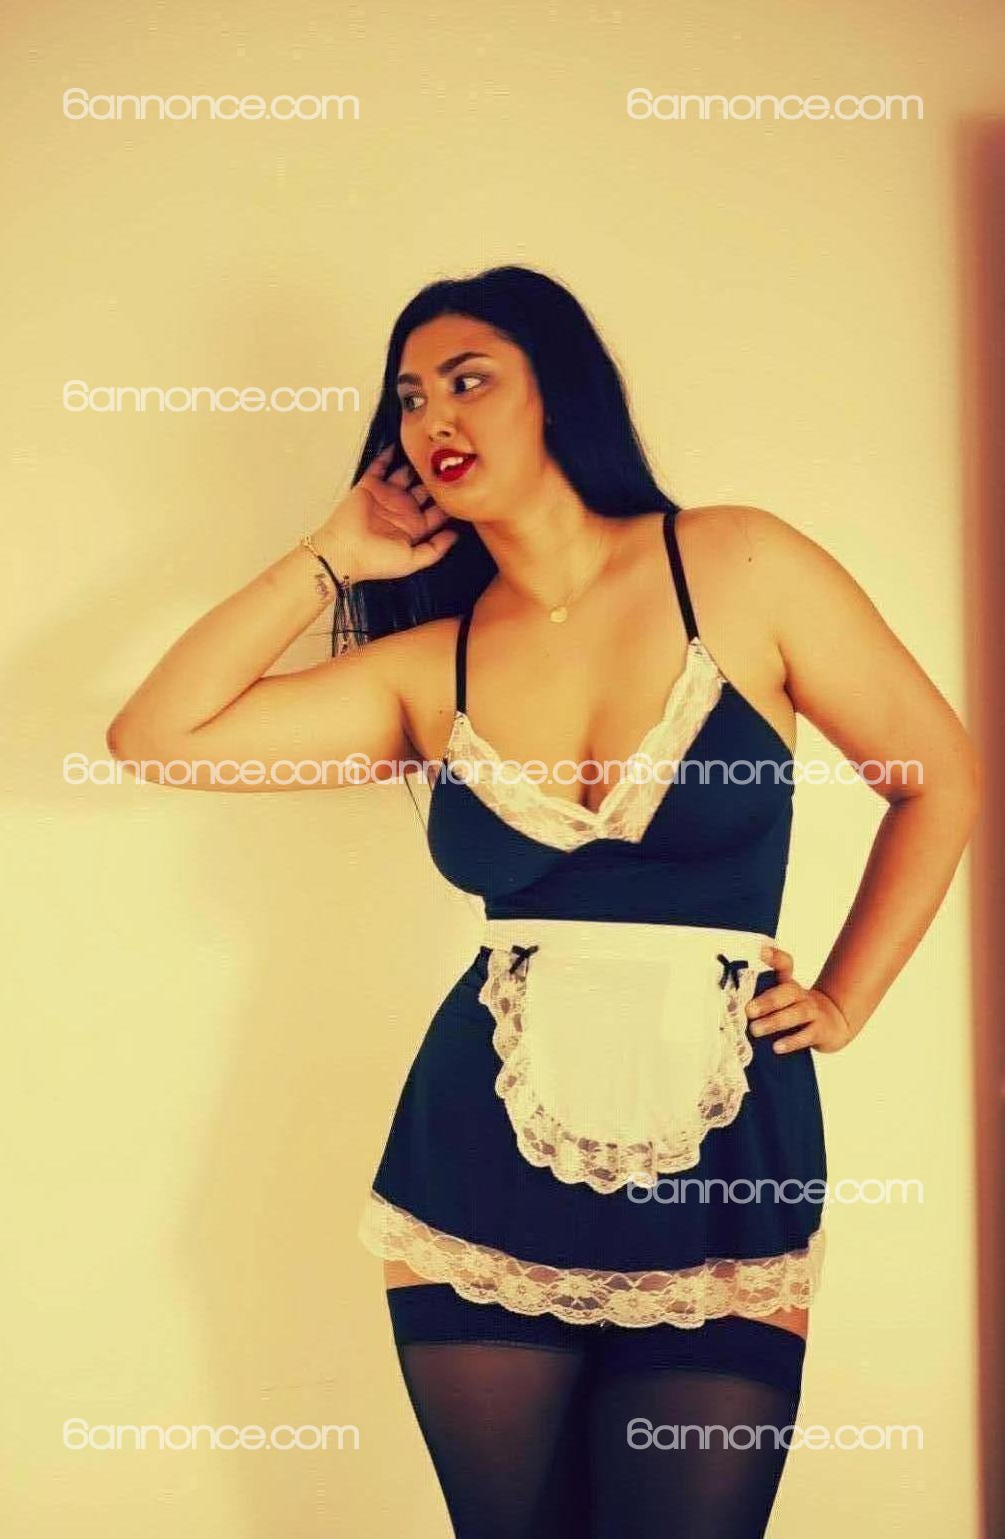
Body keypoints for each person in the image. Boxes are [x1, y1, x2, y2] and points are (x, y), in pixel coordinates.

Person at [108, 265, 980, 1538]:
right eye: (409, 398)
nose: (432, 418)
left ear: (560, 393)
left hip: (725, 1155)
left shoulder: (737, 563)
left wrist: (848, 997)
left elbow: (939, 775)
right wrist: (330, 557)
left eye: (468, 380)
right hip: (478, 1155)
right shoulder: (427, 666)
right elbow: (156, 737)